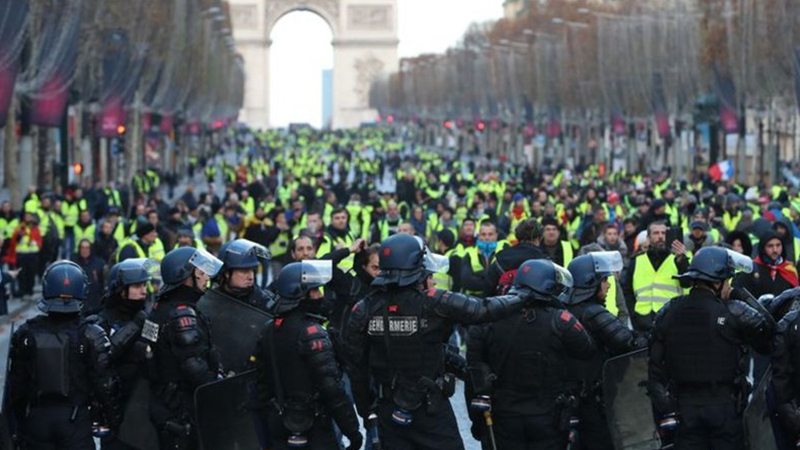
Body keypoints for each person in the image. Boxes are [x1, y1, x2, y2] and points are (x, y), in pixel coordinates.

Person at [343, 233, 531, 450]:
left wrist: (368, 413)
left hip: (389, 412)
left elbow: (356, 368)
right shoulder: (434, 302)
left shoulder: (363, 309)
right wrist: (524, 295)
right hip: (430, 412)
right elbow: (484, 309)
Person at [648, 247, 775, 450]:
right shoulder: (732, 311)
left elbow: (655, 366)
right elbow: (770, 332)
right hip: (724, 409)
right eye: (728, 281)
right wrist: (740, 295)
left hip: (684, 409)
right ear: (717, 282)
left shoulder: (669, 311)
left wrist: (666, 410)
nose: (730, 286)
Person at [467, 259, 595, 449]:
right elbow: (587, 350)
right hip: (547, 416)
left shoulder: (492, 318)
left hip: (504, 415)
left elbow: (474, 368)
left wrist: (476, 419)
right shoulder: (560, 320)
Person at [8, 261, 116, 450]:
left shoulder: (27, 333)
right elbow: (104, 385)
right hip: (75, 422)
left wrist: (15, 426)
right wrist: (111, 419)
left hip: (35, 421)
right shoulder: (91, 334)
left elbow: (15, 388)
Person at [254, 261, 362, 450]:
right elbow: (333, 390)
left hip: (279, 425)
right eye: (315, 291)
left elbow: (261, 384)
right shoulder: (312, 332)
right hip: (314, 429)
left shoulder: (268, 329)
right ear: (301, 294)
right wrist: (352, 431)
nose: (320, 296)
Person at [142, 247, 224, 450]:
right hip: (183, 408)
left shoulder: (160, 307)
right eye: (201, 272)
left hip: (163, 403)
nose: (206, 278)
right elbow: (193, 366)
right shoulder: (181, 314)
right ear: (187, 276)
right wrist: (219, 389)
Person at [566, 252, 647, 450]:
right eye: (604, 280)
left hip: (571, 396)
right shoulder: (593, 312)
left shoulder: (565, 308)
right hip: (594, 398)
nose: (609, 285)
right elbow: (627, 341)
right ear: (591, 282)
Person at [86, 258, 158, 450]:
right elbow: (104, 359)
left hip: (140, 407)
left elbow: (152, 354)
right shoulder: (101, 321)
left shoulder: (146, 316)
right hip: (113, 409)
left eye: (144, 284)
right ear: (120, 289)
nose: (144, 289)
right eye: (137, 285)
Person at [622, 221, 690, 332]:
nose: (660, 237)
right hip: (643, 322)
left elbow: (687, 284)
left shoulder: (678, 259)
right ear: (648, 238)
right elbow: (628, 292)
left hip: (670, 321)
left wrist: (682, 260)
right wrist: (634, 316)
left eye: (663, 233)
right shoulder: (636, 261)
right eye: (656, 233)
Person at [483, 218, 548, 297]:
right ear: (538, 238)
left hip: (504, 306)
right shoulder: (545, 262)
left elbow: (488, 292)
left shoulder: (500, 260)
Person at [210, 238, 274, 312]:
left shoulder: (263, 302)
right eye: (244, 271)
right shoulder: (211, 298)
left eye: (253, 270)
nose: (251, 277)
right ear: (227, 273)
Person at [71, 238, 106, 315]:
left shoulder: (99, 263)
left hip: (95, 304)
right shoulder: (73, 263)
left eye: (87, 248)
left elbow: (103, 285)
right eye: (82, 248)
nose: (84, 250)